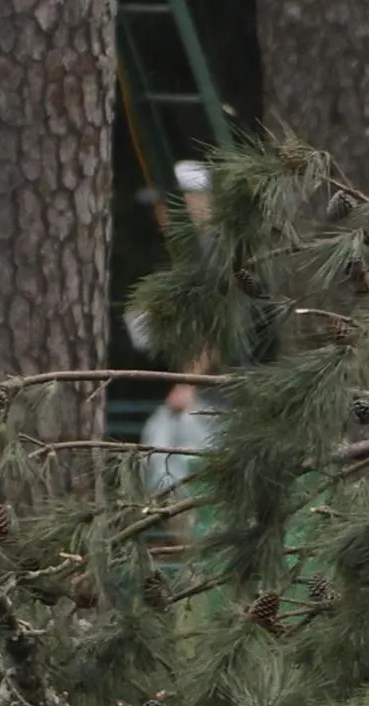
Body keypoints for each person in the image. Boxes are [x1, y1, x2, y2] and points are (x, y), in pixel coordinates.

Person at [136, 161, 221, 507]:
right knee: (157, 451)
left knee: (178, 460)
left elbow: (222, 327)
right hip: (196, 404)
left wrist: (188, 383)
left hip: (220, 402)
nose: (160, 214)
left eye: (169, 202)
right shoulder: (181, 257)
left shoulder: (218, 253)